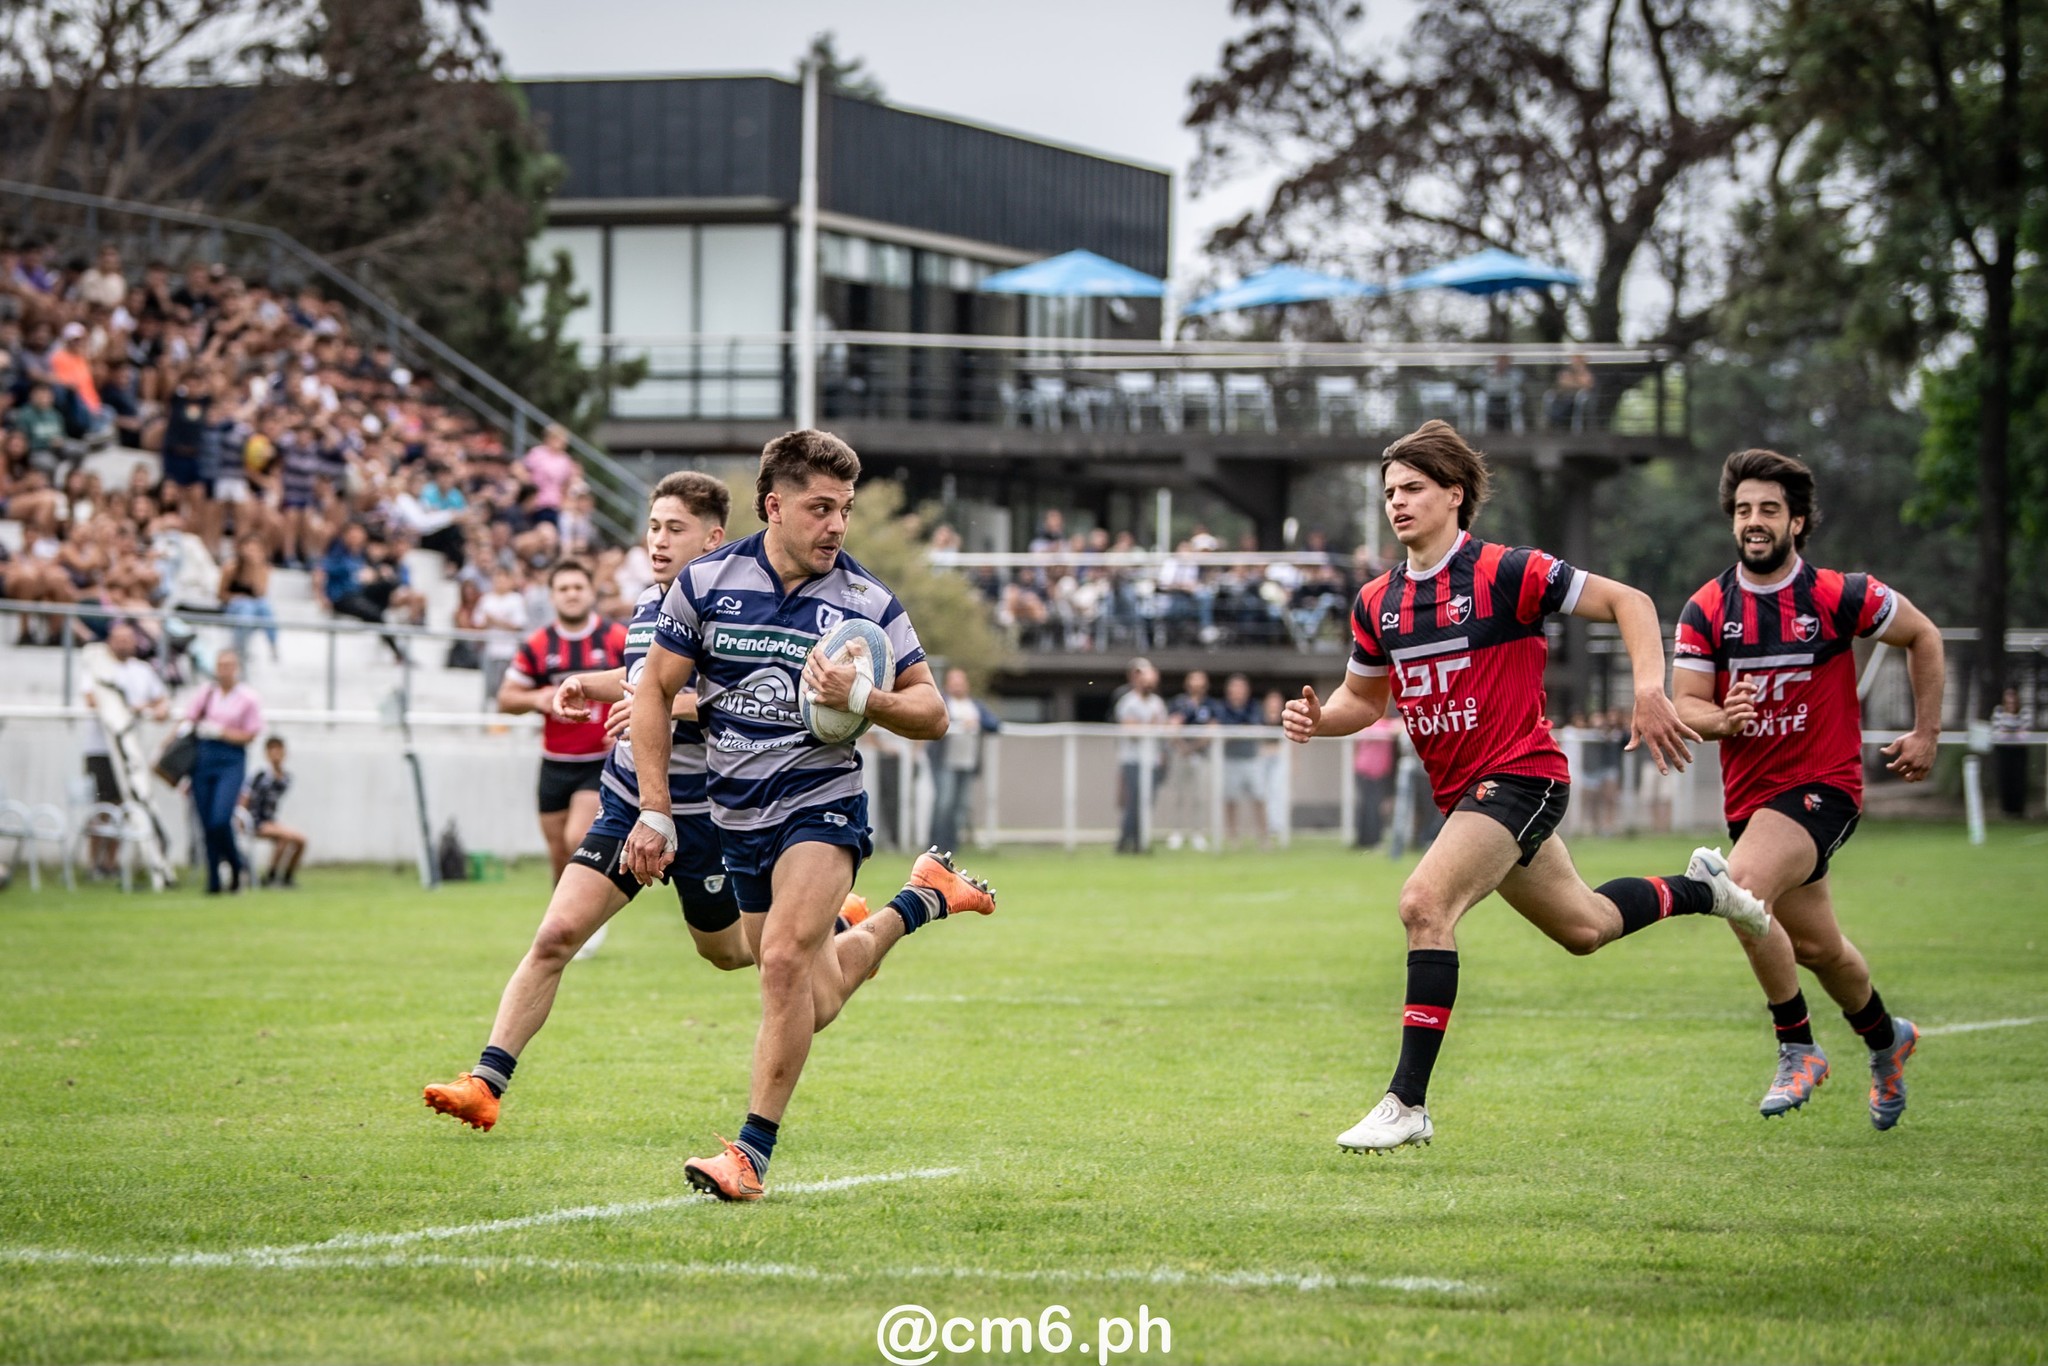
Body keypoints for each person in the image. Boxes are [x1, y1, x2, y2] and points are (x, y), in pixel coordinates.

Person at [1283, 420, 1769, 1154]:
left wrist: (1648, 688)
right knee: (1586, 928)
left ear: (1455, 494)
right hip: (1470, 799)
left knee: (1423, 903)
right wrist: (1319, 719)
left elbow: (1631, 602)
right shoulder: (1376, 602)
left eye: (1413, 488)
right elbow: (1365, 701)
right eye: (1389, 492)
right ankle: (1707, 888)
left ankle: (1406, 1102)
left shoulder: (1508, 571)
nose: (1397, 502)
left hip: (1520, 777)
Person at [622, 429, 995, 1202]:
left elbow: (933, 712)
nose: (836, 525)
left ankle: (749, 1155)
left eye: (846, 510)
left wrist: (865, 700)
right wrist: (655, 812)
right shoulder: (705, 584)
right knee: (809, 992)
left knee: (786, 964)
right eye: (821, 508)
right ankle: (919, 899)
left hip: (822, 803)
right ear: (774, 507)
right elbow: (654, 691)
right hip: (736, 816)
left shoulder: (865, 602)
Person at [425, 473, 799, 1131]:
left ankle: (844, 924)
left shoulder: (739, 611)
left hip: (703, 817)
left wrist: (658, 704)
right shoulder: (653, 602)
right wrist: (589, 685)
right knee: (556, 934)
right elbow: (641, 679)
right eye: (653, 526)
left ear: (713, 538)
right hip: (630, 803)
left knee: (731, 953)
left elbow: (738, 701)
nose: (657, 541)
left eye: (674, 528)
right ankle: (486, 1083)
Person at [1672, 447, 1944, 1128]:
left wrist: (1925, 735)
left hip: (1824, 788)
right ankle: (1888, 1041)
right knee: (1821, 950)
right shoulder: (1708, 609)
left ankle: (1798, 1047)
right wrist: (1720, 717)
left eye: (1769, 509)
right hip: (1753, 804)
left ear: (1798, 521)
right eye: (1743, 511)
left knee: (1740, 889)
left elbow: (1924, 636)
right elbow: (1686, 705)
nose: (1754, 522)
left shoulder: (1838, 595)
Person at [496, 559, 627, 884]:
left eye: (578, 587)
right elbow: (505, 699)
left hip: (599, 761)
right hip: (554, 762)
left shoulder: (616, 638)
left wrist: (627, 724)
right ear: (552, 596)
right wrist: (536, 698)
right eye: (563, 589)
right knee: (558, 854)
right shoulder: (539, 645)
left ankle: (587, 917)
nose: (571, 594)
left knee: (577, 839)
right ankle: (567, 928)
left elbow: (648, 686)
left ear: (591, 593)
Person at [80, 621, 168, 878]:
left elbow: (160, 699)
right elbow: (91, 699)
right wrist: (131, 707)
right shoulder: (97, 667)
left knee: (122, 807)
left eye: (128, 639)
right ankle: (94, 863)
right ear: (109, 641)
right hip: (102, 749)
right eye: (118, 639)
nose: (123, 644)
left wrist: (155, 707)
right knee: (102, 807)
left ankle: (111, 863)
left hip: (131, 751)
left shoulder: (142, 671)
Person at [185, 648, 264, 894]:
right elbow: (188, 721)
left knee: (220, 819)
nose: (224, 670)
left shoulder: (248, 698)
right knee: (205, 822)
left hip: (230, 760)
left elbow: (251, 734)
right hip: (203, 759)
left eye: (229, 665)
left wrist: (221, 732)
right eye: (221, 665)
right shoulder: (207, 693)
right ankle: (214, 881)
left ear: (237, 668)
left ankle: (237, 864)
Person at [929, 666, 1000, 855]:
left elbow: (994, 724)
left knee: (961, 807)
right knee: (944, 804)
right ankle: (935, 845)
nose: (957, 687)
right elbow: (931, 721)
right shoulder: (942, 703)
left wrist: (978, 723)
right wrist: (958, 724)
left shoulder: (975, 706)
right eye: (954, 683)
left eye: (960, 683)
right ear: (947, 685)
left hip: (967, 764)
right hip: (945, 763)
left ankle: (952, 847)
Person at [1114, 657, 1168, 853]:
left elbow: (1162, 731)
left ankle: (1138, 841)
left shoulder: (1157, 703)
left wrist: (1162, 753)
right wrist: (1149, 725)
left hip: (1152, 761)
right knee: (1134, 802)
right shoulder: (1128, 701)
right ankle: (1127, 842)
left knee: (1148, 802)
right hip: (1133, 761)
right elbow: (1131, 731)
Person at [1163, 670, 1221, 847]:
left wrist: (1195, 747)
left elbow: (1212, 729)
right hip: (1180, 754)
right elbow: (1172, 726)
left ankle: (1198, 833)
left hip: (1201, 755)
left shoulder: (1211, 705)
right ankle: (1176, 832)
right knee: (1178, 794)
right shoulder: (1178, 703)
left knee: (1200, 795)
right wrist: (1183, 746)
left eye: (1200, 679)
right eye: (1193, 679)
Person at [242, 736, 307, 887]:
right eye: (273, 751)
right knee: (285, 837)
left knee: (301, 841)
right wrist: (241, 818)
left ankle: (286, 877)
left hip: (270, 821)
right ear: (267, 754)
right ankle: (270, 876)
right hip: (256, 821)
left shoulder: (286, 778)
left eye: (279, 750)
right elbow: (245, 797)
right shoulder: (260, 776)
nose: (277, 754)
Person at [1217, 673, 1265, 848]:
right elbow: (1225, 729)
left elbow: (1256, 725)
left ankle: (1263, 836)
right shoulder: (1223, 708)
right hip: (1230, 760)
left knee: (1259, 798)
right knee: (1230, 799)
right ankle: (1232, 836)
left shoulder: (1254, 707)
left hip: (1251, 760)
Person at [219, 533, 279, 667]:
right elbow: (221, 594)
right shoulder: (231, 567)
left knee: (264, 607)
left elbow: (260, 593)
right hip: (233, 607)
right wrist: (236, 597)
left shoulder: (263, 569)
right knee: (246, 607)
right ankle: (240, 648)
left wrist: (254, 569)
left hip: (254, 607)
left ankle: (273, 645)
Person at [477, 566, 528, 706]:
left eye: (503, 578)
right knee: (489, 687)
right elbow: (478, 623)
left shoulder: (516, 599)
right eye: (497, 578)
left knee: (504, 687)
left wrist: (496, 621)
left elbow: (518, 625)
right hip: (490, 650)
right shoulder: (486, 599)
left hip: (508, 651)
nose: (499, 581)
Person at [1352, 716, 1398, 850]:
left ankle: (1367, 840)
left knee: (1370, 806)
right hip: (1368, 771)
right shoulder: (1372, 726)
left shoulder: (1386, 725)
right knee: (1370, 807)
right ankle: (1371, 840)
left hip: (1377, 772)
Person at [1991, 687, 2031, 817]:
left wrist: (2008, 729)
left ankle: (2018, 810)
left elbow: (2024, 734)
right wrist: (2013, 729)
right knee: (2005, 779)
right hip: (2004, 750)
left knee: (2018, 779)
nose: (2011, 704)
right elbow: (1998, 733)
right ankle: (2006, 810)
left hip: (2019, 750)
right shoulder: (1998, 711)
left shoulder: (2024, 712)